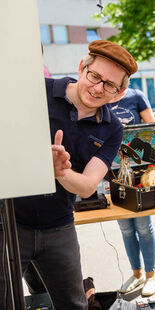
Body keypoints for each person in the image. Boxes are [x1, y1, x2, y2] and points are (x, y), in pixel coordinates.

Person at [0, 39, 137, 310]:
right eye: (94, 76)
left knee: (75, 304)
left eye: (109, 84)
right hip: (10, 224)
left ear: (119, 93)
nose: (98, 88)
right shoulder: (36, 91)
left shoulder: (113, 128)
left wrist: (59, 171)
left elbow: (86, 187)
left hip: (59, 228)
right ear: (81, 67)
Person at [109, 88, 155, 296]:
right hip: (112, 171)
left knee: (143, 227)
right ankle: (137, 274)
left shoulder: (136, 96)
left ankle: (150, 276)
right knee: (126, 229)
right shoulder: (101, 98)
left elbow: (154, 129)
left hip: (139, 170)